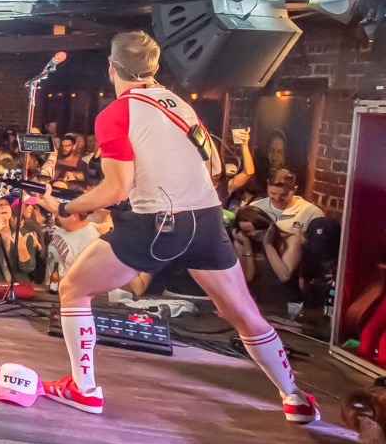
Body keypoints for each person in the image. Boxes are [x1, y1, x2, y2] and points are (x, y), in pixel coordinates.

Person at [35, 31, 318, 423]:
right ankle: (295, 398)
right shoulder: (180, 105)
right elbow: (214, 167)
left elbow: (116, 188)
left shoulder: (115, 114)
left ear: (112, 67)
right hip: (206, 219)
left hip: (156, 222)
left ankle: (84, 390)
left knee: (73, 288)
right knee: (242, 312)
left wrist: (67, 205)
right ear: (153, 67)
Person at [250, 168, 323, 240]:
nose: (277, 198)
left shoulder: (313, 214)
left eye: (283, 195)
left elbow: (316, 245)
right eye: (273, 193)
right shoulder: (255, 207)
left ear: (294, 189)